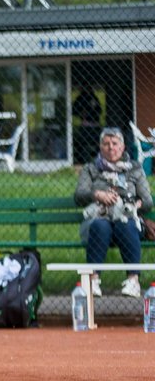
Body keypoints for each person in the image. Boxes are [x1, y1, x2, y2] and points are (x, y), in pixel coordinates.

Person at [74, 127, 152, 299]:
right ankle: (93, 281)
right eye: (106, 144)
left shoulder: (135, 169)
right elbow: (79, 196)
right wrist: (97, 194)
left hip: (127, 220)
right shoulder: (91, 169)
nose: (111, 148)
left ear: (123, 147)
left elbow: (148, 202)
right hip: (98, 220)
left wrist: (135, 205)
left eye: (115, 143)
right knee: (100, 226)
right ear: (100, 147)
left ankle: (133, 281)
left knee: (126, 224)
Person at [71, 86, 103, 165]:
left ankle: (97, 160)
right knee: (83, 143)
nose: (89, 89)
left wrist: (92, 112)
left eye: (90, 88)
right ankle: (82, 161)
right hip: (85, 124)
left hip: (95, 124)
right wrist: (81, 113)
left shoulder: (94, 97)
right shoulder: (80, 98)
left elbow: (99, 110)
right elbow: (74, 110)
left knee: (97, 143)